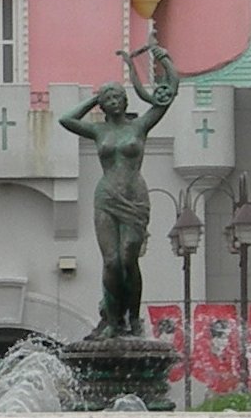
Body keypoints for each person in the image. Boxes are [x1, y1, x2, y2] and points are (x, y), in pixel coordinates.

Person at [56, 41, 179, 337]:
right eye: (107, 96)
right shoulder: (99, 130)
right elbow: (65, 119)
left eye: (117, 95)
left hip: (135, 197)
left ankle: (133, 318)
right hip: (106, 198)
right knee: (111, 262)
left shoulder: (139, 127)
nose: (112, 99)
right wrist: (92, 100)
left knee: (128, 258)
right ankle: (112, 320)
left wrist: (164, 59)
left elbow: (168, 94)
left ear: (125, 101)